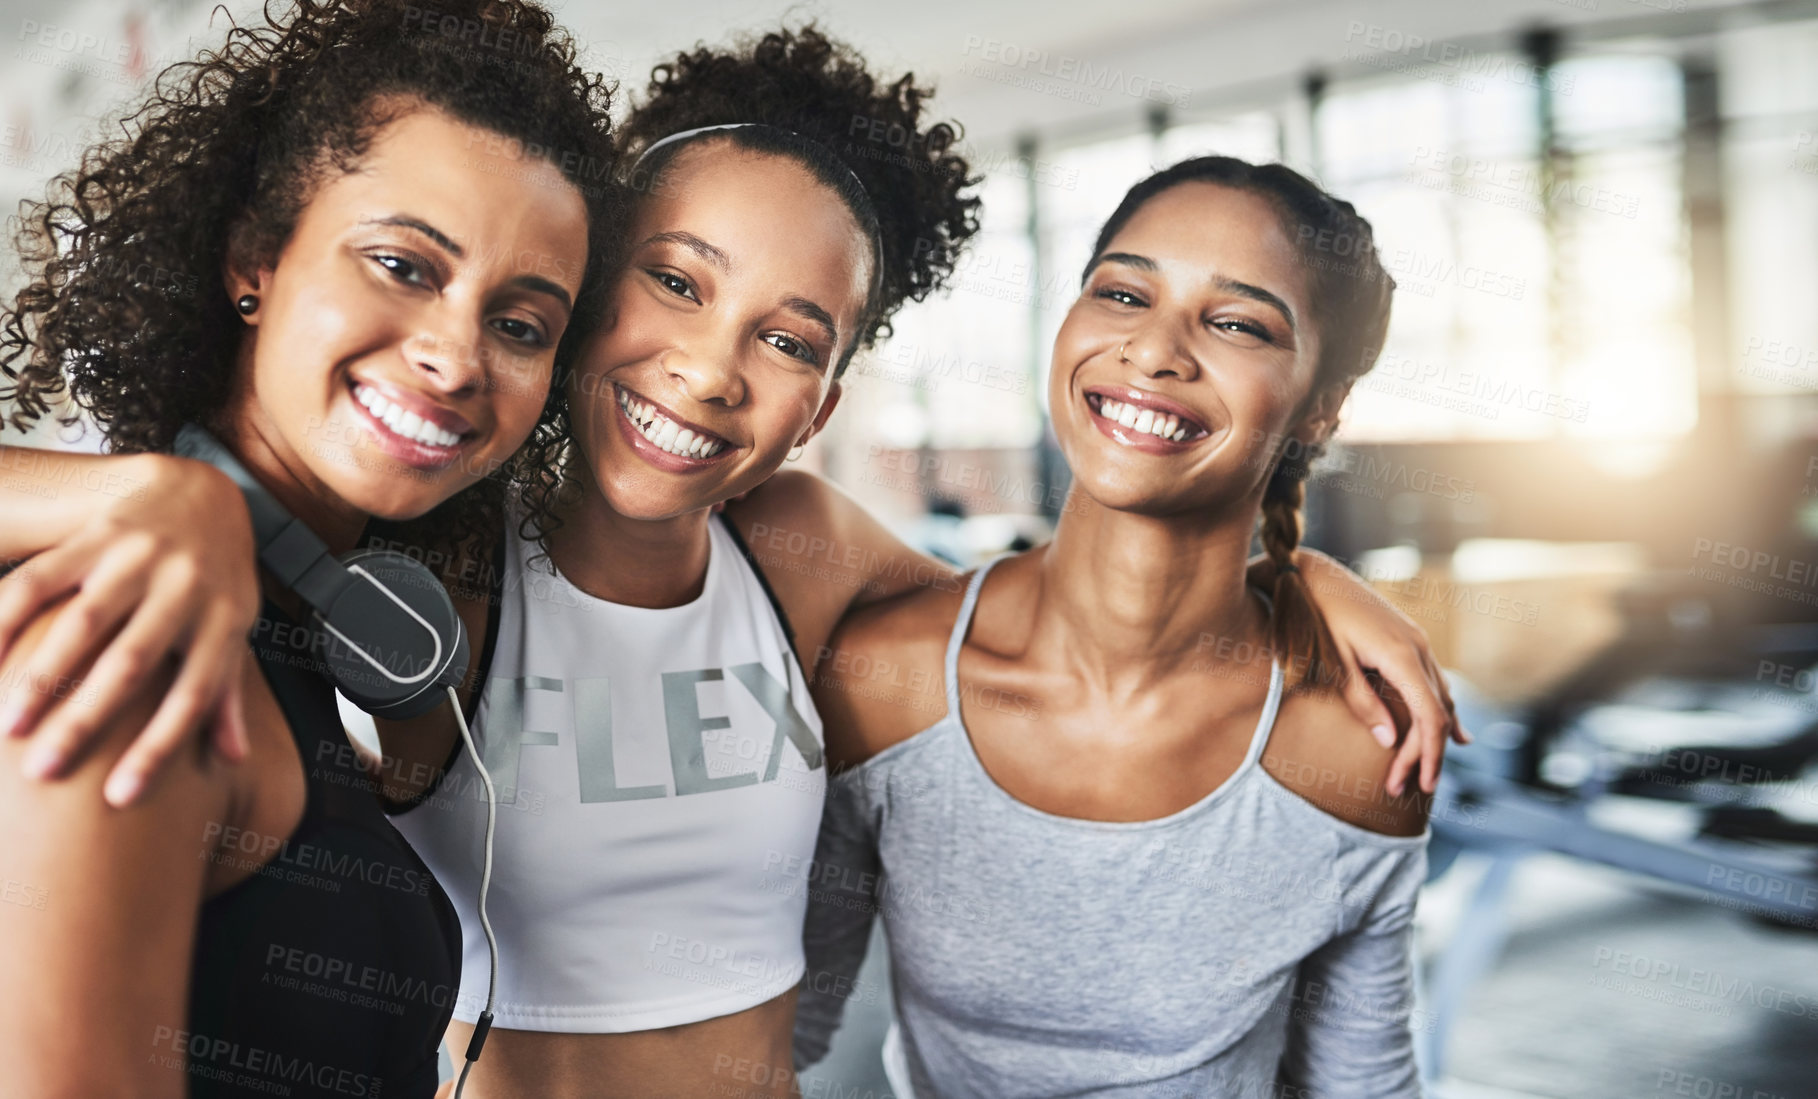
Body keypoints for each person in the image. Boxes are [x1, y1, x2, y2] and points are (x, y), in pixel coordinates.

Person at [2, 30, 1460, 1099]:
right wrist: (141, 497)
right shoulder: (431, 543)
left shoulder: (801, 551)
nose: (708, 368)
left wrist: (1301, 584)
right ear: (582, 305)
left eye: (788, 337)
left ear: (821, 403)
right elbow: (263, 478)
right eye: (677, 283)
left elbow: (1079, 603)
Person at [0, 0, 614, 1092]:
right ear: (256, 262)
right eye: (403, 264)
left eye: (521, 325)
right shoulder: (139, 657)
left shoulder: (282, 631)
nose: (455, 355)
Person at [794, 156, 1435, 1098]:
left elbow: (1362, 1087)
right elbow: (763, 1039)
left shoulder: (1353, 740)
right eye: (1125, 293)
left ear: (1320, 412)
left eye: (1237, 322)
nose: (1156, 350)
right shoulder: (883, 684)